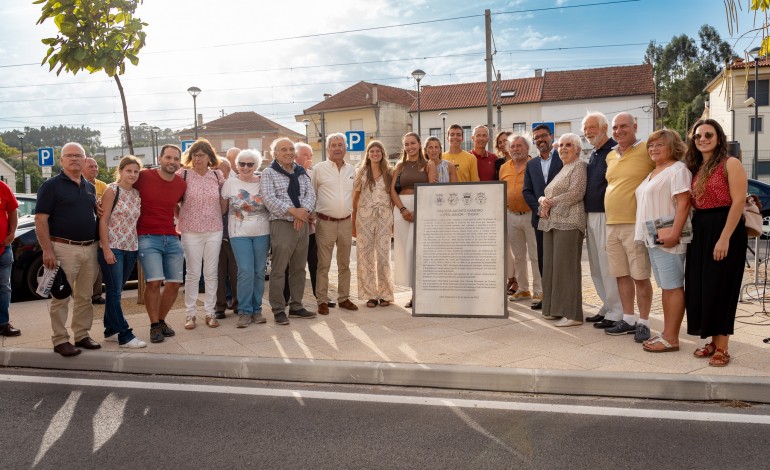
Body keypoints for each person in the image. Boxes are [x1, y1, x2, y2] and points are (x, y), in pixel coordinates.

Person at [684, 119, 746, 367]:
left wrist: (724, 238)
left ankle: (723, 347)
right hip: (701, 230)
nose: (702, 139)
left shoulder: (731, 163)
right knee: (702, 287)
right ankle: (711, 340)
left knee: (722, 287)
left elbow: (738, 202)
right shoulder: (697, 167)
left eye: (708, 134)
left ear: (719, 137)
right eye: (697, 136)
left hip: (725, 228)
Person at [35, 142, 100, 357]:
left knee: (85, 296)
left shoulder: (89, 187)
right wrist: (47, 251)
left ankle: (81, 334)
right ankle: (60, 339)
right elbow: (41, 220)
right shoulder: (51, 186)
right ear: (62, 160)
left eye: (78, 156)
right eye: (69, 155)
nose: (74, 159)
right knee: (60, 296)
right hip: (62, 248)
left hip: (89, 248)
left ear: (84, 160)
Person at [633, 129, 692, 353]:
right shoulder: (656, 171)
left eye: (659, 145)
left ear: (673, 147)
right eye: (651, 145)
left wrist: (674, 234)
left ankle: (672, 338)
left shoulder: (678, 169)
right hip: (654, 238)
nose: (653, 149)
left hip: (668, 237)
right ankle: (667, 333)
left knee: (673, 286)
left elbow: (684, 203)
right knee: (666, 288)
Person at [603, 113, 655, 342]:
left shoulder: (646, 150)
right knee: (621, 275)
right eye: (615, 127)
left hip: (635, 224)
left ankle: (644, 323)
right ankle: (628, 319)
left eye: (624, 126)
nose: (619, 130)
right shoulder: (610, 156)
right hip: (611, 223)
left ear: (635, 126)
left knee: (640, 275)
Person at [133, 144, 187, 343]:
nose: (172, 162)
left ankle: (161, 320)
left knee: (174, 284)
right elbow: (122, 187)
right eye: (168, 158)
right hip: (147, 236)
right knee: (154, 282)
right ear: (160, 158)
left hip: (171, 237)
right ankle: (154, 325)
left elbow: (175, 205)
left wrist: (182, 223)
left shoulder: (181, 184)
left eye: (175, 159)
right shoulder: (144, 176)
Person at [261, 137, 316, 325]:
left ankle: (296, 306)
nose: (288, 152)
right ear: (274, 153)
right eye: (283, 149)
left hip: (302, 224)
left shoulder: (302, 172)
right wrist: (294, 212)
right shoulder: (269, 173)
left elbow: (310, 195)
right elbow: (269, 198)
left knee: (299, 268)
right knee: (279, 269)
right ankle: (278, 309)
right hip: (282, 224)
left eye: (291, 149)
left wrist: (303, 213)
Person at [537, 133, 587, 327]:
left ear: (577, 149)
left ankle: (572, 314)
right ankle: (554, 309)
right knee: (551, 267)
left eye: (569, 145)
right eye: (561, 145)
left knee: (566, 268)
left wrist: (549, 201)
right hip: (551, 222)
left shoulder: (579, 166)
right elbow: (549, 193)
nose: (563, 148)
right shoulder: (564, 168)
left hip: (569, 222)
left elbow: (576, 192)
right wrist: (543, 199)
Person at [97, 156, 146, 348]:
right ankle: (125, 335)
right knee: (115, 292)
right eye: (129, 171)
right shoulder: (112, 190)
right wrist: (106, 248)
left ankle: (110, 330)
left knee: (115, 291)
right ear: (121, 171)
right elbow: (103, 220)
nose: (132, 174)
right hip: (113, 247)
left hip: (131, 248)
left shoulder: (136, 194)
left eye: (136, 171)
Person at [176, 139, 225, 329]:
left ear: (209, 157)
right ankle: (190, 314)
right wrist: (181, 217)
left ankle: (210, 313)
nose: (197, 159)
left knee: (211, 273)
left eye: (201, 155)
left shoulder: (217, 175)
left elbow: (223, 199)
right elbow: (174, 200)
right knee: (192, 273)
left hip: (214, 229)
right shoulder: (183, 174)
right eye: (194, 155)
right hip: (190, 230)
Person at [220, 149, 272, 328]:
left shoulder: (263, 182)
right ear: (237, 165)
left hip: (262, 233)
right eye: (242, 163)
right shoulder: (230, 184)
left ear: (256, 166)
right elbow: (222, 210)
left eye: (250, 164)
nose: (246, 167)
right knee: (245, 270)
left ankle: (256, 309)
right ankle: (244, 311)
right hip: (238, 235)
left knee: (259, 271)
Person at [582, 112, 623, 329]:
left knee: (608, 265)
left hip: (607, 215)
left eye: (592, 128)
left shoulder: (614, 151)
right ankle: (607, 305)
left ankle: (617, 311)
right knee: (596, 267)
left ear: (604, 127)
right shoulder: (595, 153)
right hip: (591, 214)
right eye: (586, 129)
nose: (588, 132)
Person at [312, 133, 358, 315]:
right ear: (328, 149)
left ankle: (344, 298)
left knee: (345, 264)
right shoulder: (319, 169)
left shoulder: (352, 170)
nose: (337, 148)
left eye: (340, 145)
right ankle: (322, 300)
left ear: (345, 149)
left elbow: (354, 196)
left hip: (346, 222)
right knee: (323, 264)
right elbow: (312, 194)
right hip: (325, 223)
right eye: (334, 145)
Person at [390, 132, 437, 307]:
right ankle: (413, 293)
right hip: (401, 207)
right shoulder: (400, 166)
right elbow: (392, 190)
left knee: (419, 251)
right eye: (407, 144)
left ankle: (423, 293)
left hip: (422, 207)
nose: (410, 147)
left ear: (419, 144)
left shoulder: (429, 165)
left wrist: (419, 210)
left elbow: (432, 188)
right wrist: (402, 209)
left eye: (413, 143)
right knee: (405, 251)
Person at [522, 124, 562, 309]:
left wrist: (554, 206)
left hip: (562, 217)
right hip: (540, 219)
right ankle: (548, 298)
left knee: (561, 260)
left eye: (543, 136)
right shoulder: (531, 164)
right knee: (543, 260)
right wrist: (539, 208)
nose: (540, 140)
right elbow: (527, 191)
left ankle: (562, 300)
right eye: (536, 138)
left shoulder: (563, 158)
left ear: (551, 136)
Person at [499, 135, 542, 308]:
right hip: (511, 215)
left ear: (527, 148)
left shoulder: (535, 165)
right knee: (518, 256)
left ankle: (539, 290)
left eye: (519, 146)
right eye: (513, 146)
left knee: (536, 255)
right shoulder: (503, 168)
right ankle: (523, 288)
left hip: (531, 214)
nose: (516, 149)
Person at [352, 140, 395, 308]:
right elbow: (355, 199)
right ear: (368, 154)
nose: (375, 154)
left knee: (384, 256)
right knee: (365, 256)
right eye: (372, 151)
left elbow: (392, 197)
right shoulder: (361, 172)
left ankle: (385, 294)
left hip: (384, 217)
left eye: (378, 151)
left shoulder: (389, 172)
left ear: (382, 153)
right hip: (364, 218)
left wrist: (393, 222)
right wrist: (353, 222)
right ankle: (370, 294)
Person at [215, 154, 238, 319]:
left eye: (217, 169)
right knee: (218, 272)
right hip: (216, 234)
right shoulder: (211, 186)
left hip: (235, 235)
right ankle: (220, 306)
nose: (214, 171)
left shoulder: (235, 185)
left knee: (236, 272)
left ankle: (238, 304)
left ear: (228, 170)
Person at [84, 157, 107, 305]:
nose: (95, 169)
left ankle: (96, 294)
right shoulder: (79, 184)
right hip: (83, 233)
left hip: (98, 232)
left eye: (96, 166)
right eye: (91, 166)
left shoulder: (103, 186)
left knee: (97, 264)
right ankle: (84, 295)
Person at [0, 181, 19, 337]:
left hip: (3, 248)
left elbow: (12, 210)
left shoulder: (2, 187)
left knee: (4, 288)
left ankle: (3, 324)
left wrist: (12, 232)